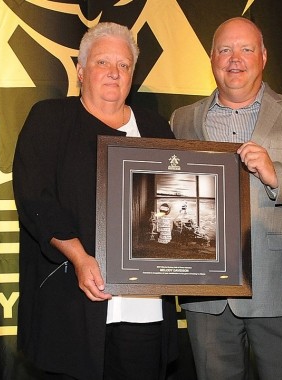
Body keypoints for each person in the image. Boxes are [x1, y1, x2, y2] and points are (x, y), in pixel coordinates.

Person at [13, 22, 178, 380]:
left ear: (132, 75)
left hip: (143, 310)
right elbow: (34, 197)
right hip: (71, 310)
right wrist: (79, 256)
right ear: (80, 70)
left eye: (123, 65)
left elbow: (177, 201)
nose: (114, 73)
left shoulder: (157, 128)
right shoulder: (50, 119)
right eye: (103, 62)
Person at [170, 17, 282, 380]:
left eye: (246, 49)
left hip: (279, 288)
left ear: (264, 56)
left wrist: (277, 176)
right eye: (225, 49)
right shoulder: (181, 119)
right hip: (205, 293)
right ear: (211, 58)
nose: (234, 58)